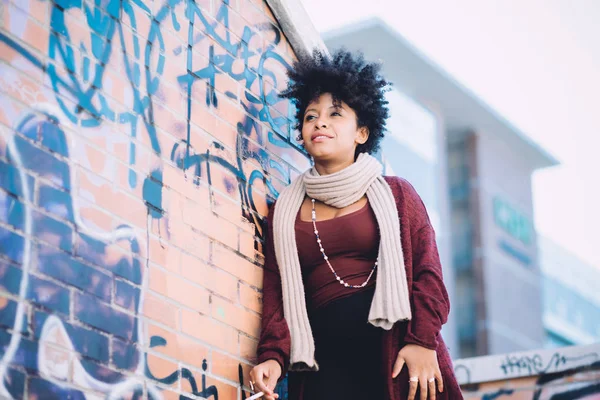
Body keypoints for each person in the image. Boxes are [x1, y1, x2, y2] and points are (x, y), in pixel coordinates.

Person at [249, 49, 463, 400]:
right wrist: (272, 356)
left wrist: (422, 341)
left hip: (396, 356)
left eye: (335, 114)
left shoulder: (396, 195)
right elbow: (276, 295)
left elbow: (430, 277)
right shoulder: (284, 211)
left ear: (362, 132)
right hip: (324, 370)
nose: (320, 123)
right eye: (310, 116)